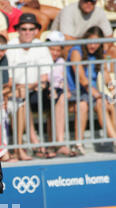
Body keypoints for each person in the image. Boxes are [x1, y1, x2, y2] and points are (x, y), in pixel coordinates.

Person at [6, 13, 53, 160]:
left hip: (35, 90)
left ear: (36, 30)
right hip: (16, 91)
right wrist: (28, 86)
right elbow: (9, 81)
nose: (27, 32)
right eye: (24, 28)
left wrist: (30, 86)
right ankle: (34, 144)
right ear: (18, 30)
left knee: (61, 97)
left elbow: (45, 79)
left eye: (31, 29)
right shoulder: (10, 46)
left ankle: (56, 143)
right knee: (21, 95)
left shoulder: (41, 46)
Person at [66, 26, 116, 155]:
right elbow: (82, 79)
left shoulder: (99, 54)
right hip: (78, 92)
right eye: (91, 41)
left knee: (111, 103)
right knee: (100, 102)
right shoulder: (77, 51)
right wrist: (98, 95)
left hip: (93, 94)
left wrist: (113, 91)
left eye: (97, 42)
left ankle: (114, 140)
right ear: (85, 39)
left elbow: (105, 74)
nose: (93, 45)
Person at [51, 0, 116, 58]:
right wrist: (89, 44)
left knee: (113, 49)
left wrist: (101, 46)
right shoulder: (68, 11)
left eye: (92, 1)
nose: (89, 3)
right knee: (72, 50)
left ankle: (106, 71)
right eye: (86, 0)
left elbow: (109, 38)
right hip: (60, 48)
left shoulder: (100, 12)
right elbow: (67, 40)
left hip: (85, 45)